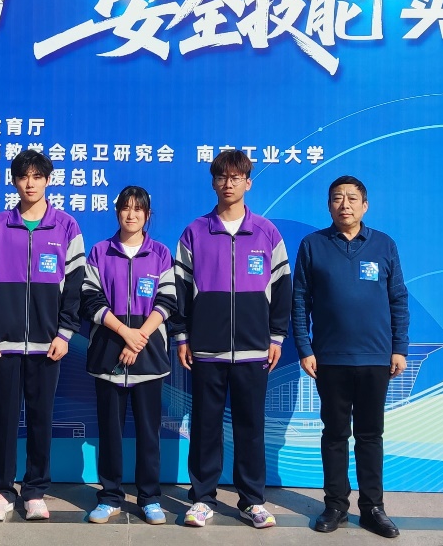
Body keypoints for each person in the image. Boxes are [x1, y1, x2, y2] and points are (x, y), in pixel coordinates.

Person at [172, 149, 291, 529]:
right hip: (207, 348)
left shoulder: (267, 233)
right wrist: (182, 336)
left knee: (250, 427)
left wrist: (276, 337)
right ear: (213, 182)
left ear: (248, 183)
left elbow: (282, 288)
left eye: (236, 177)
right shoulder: (195, 232)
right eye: (222, 177)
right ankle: (202, 499)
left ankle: (251, 501)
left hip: (254, 348)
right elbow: (179, 290)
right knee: (205, 426)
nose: (228, 184)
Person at [292, 175, 409, 539]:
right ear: (329, 205)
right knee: (335, 434)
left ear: (365, 205)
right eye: (337, 198)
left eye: (352, 198)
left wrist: (399, 347)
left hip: (375, 357)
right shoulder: (313, 245)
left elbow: (398, 298)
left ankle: (373, 508)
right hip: (330, 359)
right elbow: (300, 300)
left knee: (371, 435)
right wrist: (305, 348)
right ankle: (335, 505)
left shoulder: (384, 244)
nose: (345, 204)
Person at [0, 149, 84, 521]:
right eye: (23, 177)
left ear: (48, 180)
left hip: (48, 344)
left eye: (37, 176)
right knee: (4, 419)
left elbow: (75, 287)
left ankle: (35, 491)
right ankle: (2, 491)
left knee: (40, 418)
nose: (30, 183)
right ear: (14, 182)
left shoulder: (66, 226)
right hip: (1, 343)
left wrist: (65, 332)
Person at [80, 186, 176, 526]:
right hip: (108, 356)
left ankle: (149, 498)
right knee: (110, 433)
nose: (131, 215)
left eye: (138, 209)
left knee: (149, 434)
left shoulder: (161, 254)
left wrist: (139, 339)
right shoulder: (99, 252)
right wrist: (125, 333)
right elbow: (90, 300)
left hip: (148, 359)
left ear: (147, 215)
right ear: (117, 212)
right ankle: (109, 497)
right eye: (125, 208)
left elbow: (167, 302)